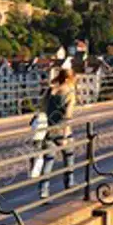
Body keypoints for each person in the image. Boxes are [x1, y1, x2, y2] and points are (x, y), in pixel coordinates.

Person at [38, 68, 78, 199]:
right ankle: (69, 183)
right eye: (73, 79)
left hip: (48, 131)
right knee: (69, 157)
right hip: (62, 131)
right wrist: (65, 135)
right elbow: (68, 116)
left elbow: (42, 108)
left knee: (48, 162)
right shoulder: (70, 93)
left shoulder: (50, 91)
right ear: (67, 79)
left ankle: (44, 191)